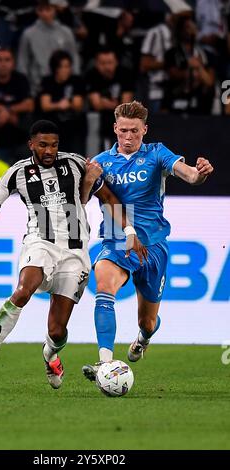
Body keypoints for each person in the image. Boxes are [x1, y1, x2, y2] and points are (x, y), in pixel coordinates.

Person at [0, 119, 136, 389]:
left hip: (75, 251)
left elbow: (109, 199)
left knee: (57, 330)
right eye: (43, 145)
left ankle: (50, 354)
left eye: (54, 145)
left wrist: (129, 232)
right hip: (39, 243)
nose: (49, 151)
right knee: (23, 290)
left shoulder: (77, 164)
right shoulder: (17, 173)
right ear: (31, 144)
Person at [81, 101, 214, 381]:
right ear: (115, 129)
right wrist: (87, 181)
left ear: (145, 130)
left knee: (148, 321)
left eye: (135, 132)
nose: (129, 138)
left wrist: (198, 174)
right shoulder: (101, 162)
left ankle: (143, 338)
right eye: (124, 131)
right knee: (104, 283)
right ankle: (104, 362)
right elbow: (82, 199)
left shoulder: (156, 154)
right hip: (118, 242)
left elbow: (188, 175)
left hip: (152, 246)